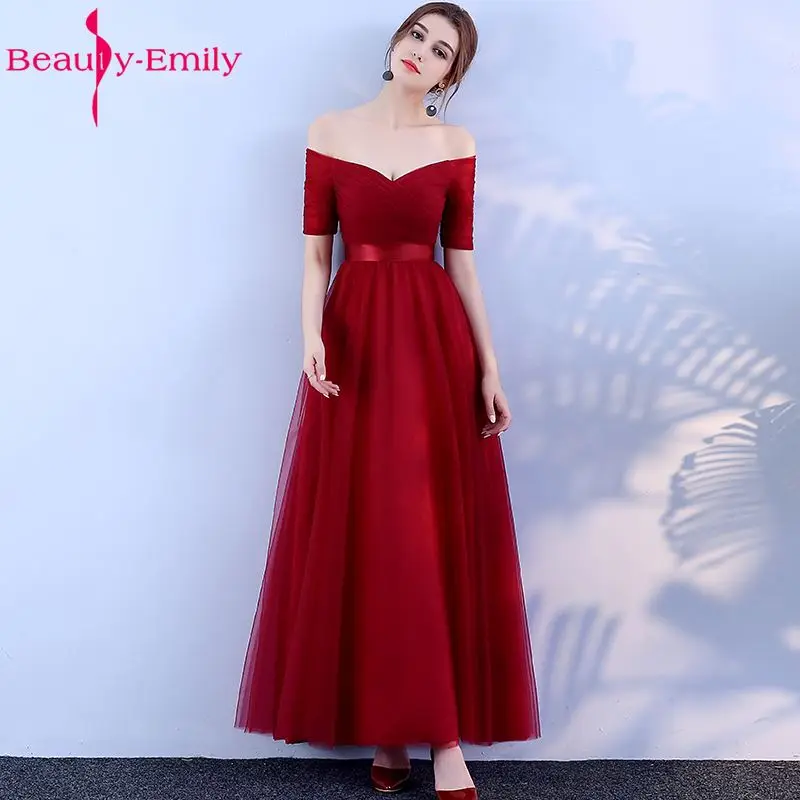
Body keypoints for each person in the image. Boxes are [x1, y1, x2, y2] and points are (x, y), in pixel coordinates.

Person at [234, 3, 541, 797]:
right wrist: (310, 334)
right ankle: (390, 733)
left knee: (425, 530)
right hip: (356, 344)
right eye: (417, 36)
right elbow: (316, 257)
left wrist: (489, 368)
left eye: (441, 51)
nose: (421, 52)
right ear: (397, 41)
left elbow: (461, 263)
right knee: (370, 530)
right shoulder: (328, 131)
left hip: (434, 346)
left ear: (450, 75)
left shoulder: (456, 145)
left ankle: (443, 738)